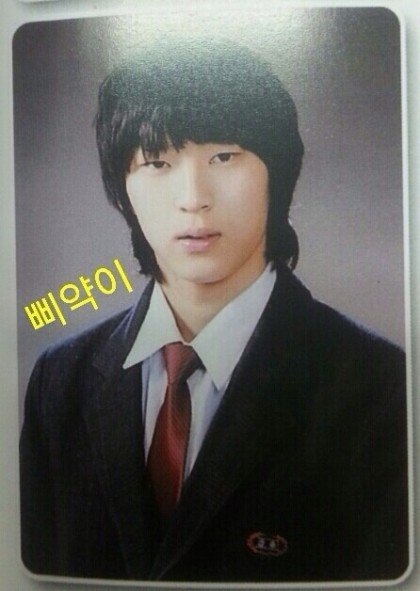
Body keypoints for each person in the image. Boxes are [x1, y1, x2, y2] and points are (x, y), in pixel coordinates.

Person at [20, 39, 409, 583]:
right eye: (157, 162)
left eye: (224, 157)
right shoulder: (60, 381)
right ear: (123, 191)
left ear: (277, 173)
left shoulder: (381, 388)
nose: (193, 197)